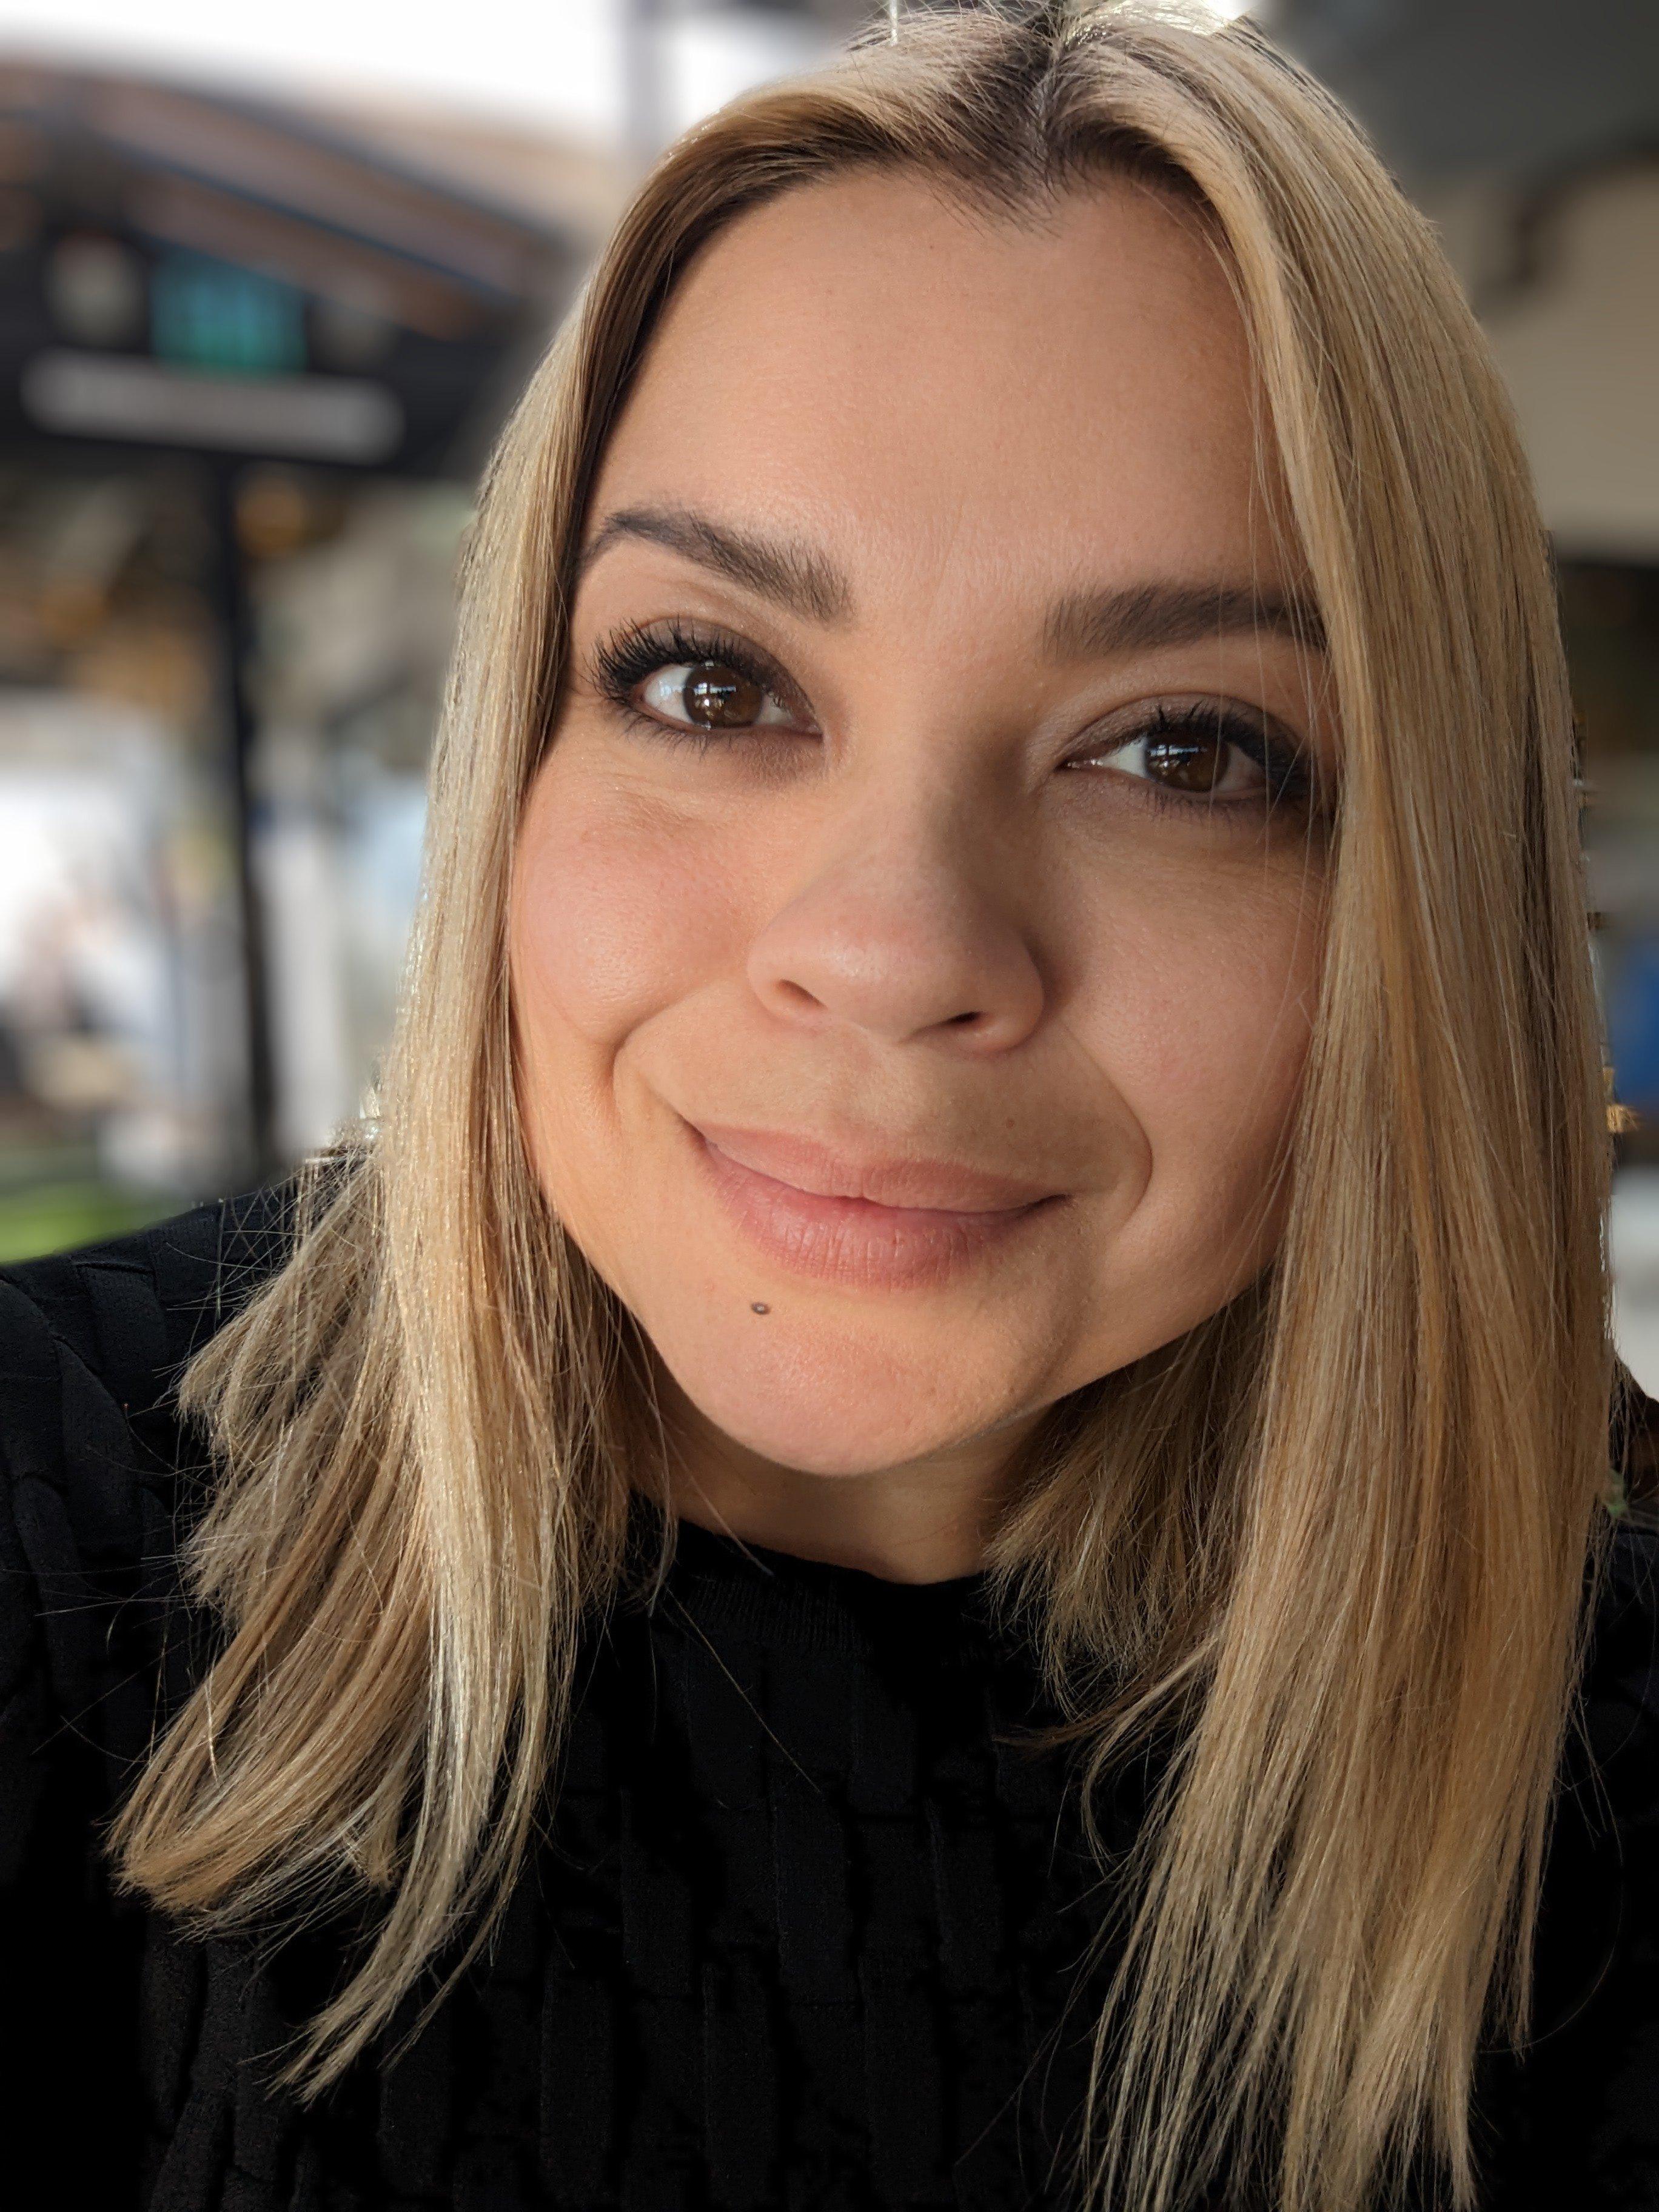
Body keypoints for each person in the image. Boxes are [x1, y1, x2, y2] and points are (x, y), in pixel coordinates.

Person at [3, 4, 1657, 2207]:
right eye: (712, 682)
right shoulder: (44, 1527)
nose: (884, 948)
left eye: (1183, 750)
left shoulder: (1604, 1762)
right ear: (517, 763)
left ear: (1426, 900)